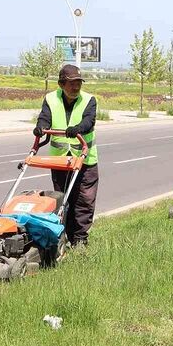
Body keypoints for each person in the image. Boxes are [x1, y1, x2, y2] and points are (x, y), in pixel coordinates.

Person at [33, 64, 99, 247]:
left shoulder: (89, 100)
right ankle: (64, 235)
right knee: (62, 199)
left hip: (85, 160)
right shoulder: (50, 99)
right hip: (60, 160)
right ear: (62, 84)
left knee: (83, 200)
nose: (76, 87)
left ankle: (79, 239)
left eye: (79, 82)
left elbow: (89, 121)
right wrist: (40, 128)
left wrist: (78, 129)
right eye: (72, 83)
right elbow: (45, 117)